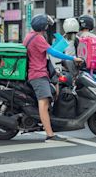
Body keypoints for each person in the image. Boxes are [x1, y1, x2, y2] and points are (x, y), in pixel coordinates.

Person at [23, 14, 83, 142]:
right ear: (43, 27)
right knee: (43, 103)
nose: (47, 29)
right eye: (46, 26)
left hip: (39, 72)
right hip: (38, 74)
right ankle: (50, 135)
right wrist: (73, 58)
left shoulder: (29, 35)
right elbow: (53, 52)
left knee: (50, 97)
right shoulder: (38, 38)